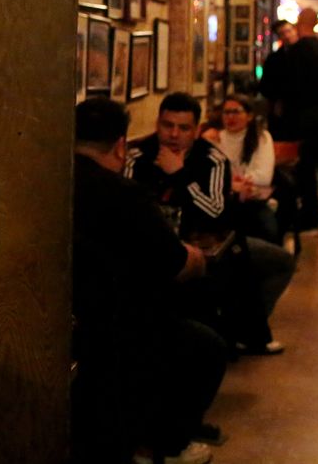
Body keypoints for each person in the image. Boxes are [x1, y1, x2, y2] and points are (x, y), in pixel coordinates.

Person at [72, 97, 222, 464]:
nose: (173, 134)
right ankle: (162, 443)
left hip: (71, 312)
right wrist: (198, 260)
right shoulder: (122, 193)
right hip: (114, 323)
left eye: (183, 127)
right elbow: (175, 262)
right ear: (121, 145)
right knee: (207, 346)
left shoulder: (52, 182)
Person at [125, 92, 294, 355]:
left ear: (195, 130)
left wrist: (179, 175)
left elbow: (215, 212)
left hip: (206, 244)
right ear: (157, 124)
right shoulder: (137, 156)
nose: (173, 134)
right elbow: (129, 206)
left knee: (262, 256)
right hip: (150, 245)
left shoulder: (211, 159)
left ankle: (237, 331)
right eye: (167, 126)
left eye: (183, 128)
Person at [261, 12, 318, 232]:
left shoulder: (291, 55)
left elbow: (275, 86)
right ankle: (311, 212)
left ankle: (301, 214)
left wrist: (278, 101)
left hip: (295, 120)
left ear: (299, 25)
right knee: (308, 167)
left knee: (296, 167)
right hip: (317, 117)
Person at [212, 94, 279, 245]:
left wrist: (234, 180)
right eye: (226, 112)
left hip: (253, 201)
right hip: (224, 200)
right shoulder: (216, 138)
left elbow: (264, 177)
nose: (230, 117)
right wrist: (233, 182)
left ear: (249, 116)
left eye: (236, 112)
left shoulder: (261, 137)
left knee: (267, 229)